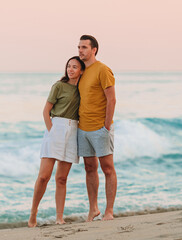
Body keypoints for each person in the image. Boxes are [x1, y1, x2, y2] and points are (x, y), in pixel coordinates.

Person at [28, 56, 85, 227]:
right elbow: (46, 111)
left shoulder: (83, 89)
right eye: (69, 66)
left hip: (74, 130)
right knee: (44, 176)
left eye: (75, 67)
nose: (70, 69)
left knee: (62, 178)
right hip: (56, 127)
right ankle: (33, 214)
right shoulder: (59, 86)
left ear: (81, 70)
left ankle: (59, 218)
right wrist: (52, 131)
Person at [77, 35, 117, 221]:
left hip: (100, 128)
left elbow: (112, 99)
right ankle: (93, 209)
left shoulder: (103, 69)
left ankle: (109, 211)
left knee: (107, 169)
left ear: (94, 50)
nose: (80, 50)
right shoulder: (82, 71)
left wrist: (106, 126)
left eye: (84, 47)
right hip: (82, 129)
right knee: (89, 168)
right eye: (79, 47)